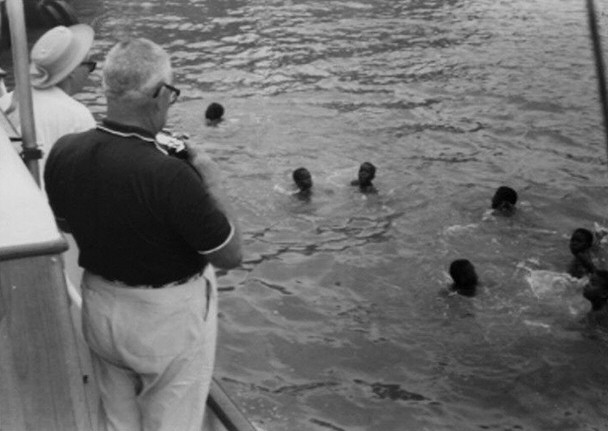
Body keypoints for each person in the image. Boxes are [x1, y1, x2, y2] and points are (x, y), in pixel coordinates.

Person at [44, 38, 242, 431]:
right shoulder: (171, 175)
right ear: (160, 94)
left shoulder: (64, 152)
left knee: (118, 421)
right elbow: (230, 254)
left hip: (100, 305)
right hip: (164, 322)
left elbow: (67, 226)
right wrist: (213, 180)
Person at [0, 24, 96, 184]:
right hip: (47, 205)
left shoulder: (6, 102)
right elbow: (87, 179)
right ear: (73, 70)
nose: (89, 73)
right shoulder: (78, 116)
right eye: (90, 66)